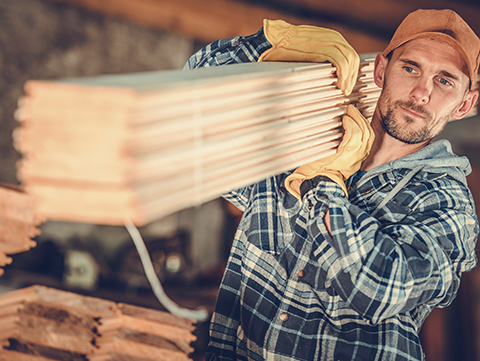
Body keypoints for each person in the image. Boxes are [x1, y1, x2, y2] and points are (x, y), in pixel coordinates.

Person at [184, 9, 479, 361]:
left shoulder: (447, 204)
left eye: (444, 80)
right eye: (410, 67)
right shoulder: (304, 140)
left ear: (465, 104)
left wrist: (323, 185)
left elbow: (380, 289)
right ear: (381, 69)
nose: (421, 92)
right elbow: (190, 96)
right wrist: (272, 42)